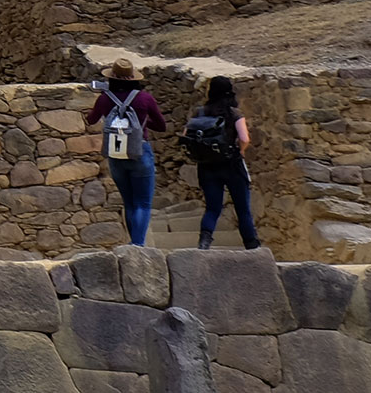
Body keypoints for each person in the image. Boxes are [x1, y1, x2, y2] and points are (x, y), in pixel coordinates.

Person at [88, 58, 167, 246]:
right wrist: (142, 123)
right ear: (132, 78)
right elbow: (162, 126)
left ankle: (134, 243)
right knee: (143, 203)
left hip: (116, 154)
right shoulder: (145, 98)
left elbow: (91, 120)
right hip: (139, 150)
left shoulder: (104, 98)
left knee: (129, 202)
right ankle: (138, 245)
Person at [185, 74, 261, 250]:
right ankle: (251, 245)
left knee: (212, 208)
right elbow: (244, 138)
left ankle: (204, 241)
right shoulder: (234, 113)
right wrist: (240, 151)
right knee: (242, 208)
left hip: (207, 165)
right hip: (232, 164)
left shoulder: (200, 112)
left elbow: (186, 135)